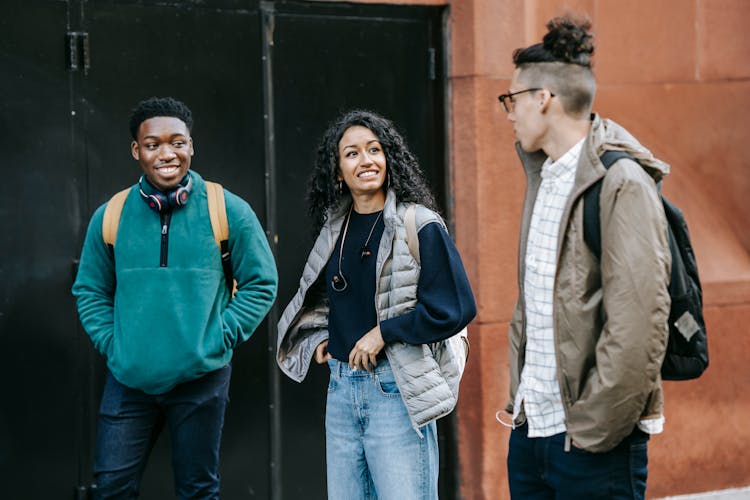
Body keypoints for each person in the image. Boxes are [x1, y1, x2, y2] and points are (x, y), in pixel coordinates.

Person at [499, 16, 672, 499]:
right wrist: (522, 408)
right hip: (532, 431)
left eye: (512, 99)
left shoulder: (621, 183)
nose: (509, 112)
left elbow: (638, 324)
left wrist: (594, 428)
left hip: (592, 443)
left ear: (543, 98)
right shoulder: (544, 177)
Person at [72, 96, 278, 499]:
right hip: (129, 379)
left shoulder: (226, 209)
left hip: (201, 378)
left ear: (191, 145)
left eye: (177, 142)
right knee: (111, 487)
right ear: (137, 151)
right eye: (153, 144)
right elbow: (90, 290)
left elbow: (261, 283)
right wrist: (114, 345)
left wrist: (219, 337)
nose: (167, 153)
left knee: (197, 490)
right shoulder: (111, 214)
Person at [276, 109, 476, 499]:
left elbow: (455, 307)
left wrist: (384, 332)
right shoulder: (335, 226)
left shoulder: (419, 223)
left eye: (374, 150)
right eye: (352, 154)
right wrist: (319, 340)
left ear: (389, 159)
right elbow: (319, 296)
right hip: (341, 388)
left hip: (395, 389)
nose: (365, 160)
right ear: (337, 171)